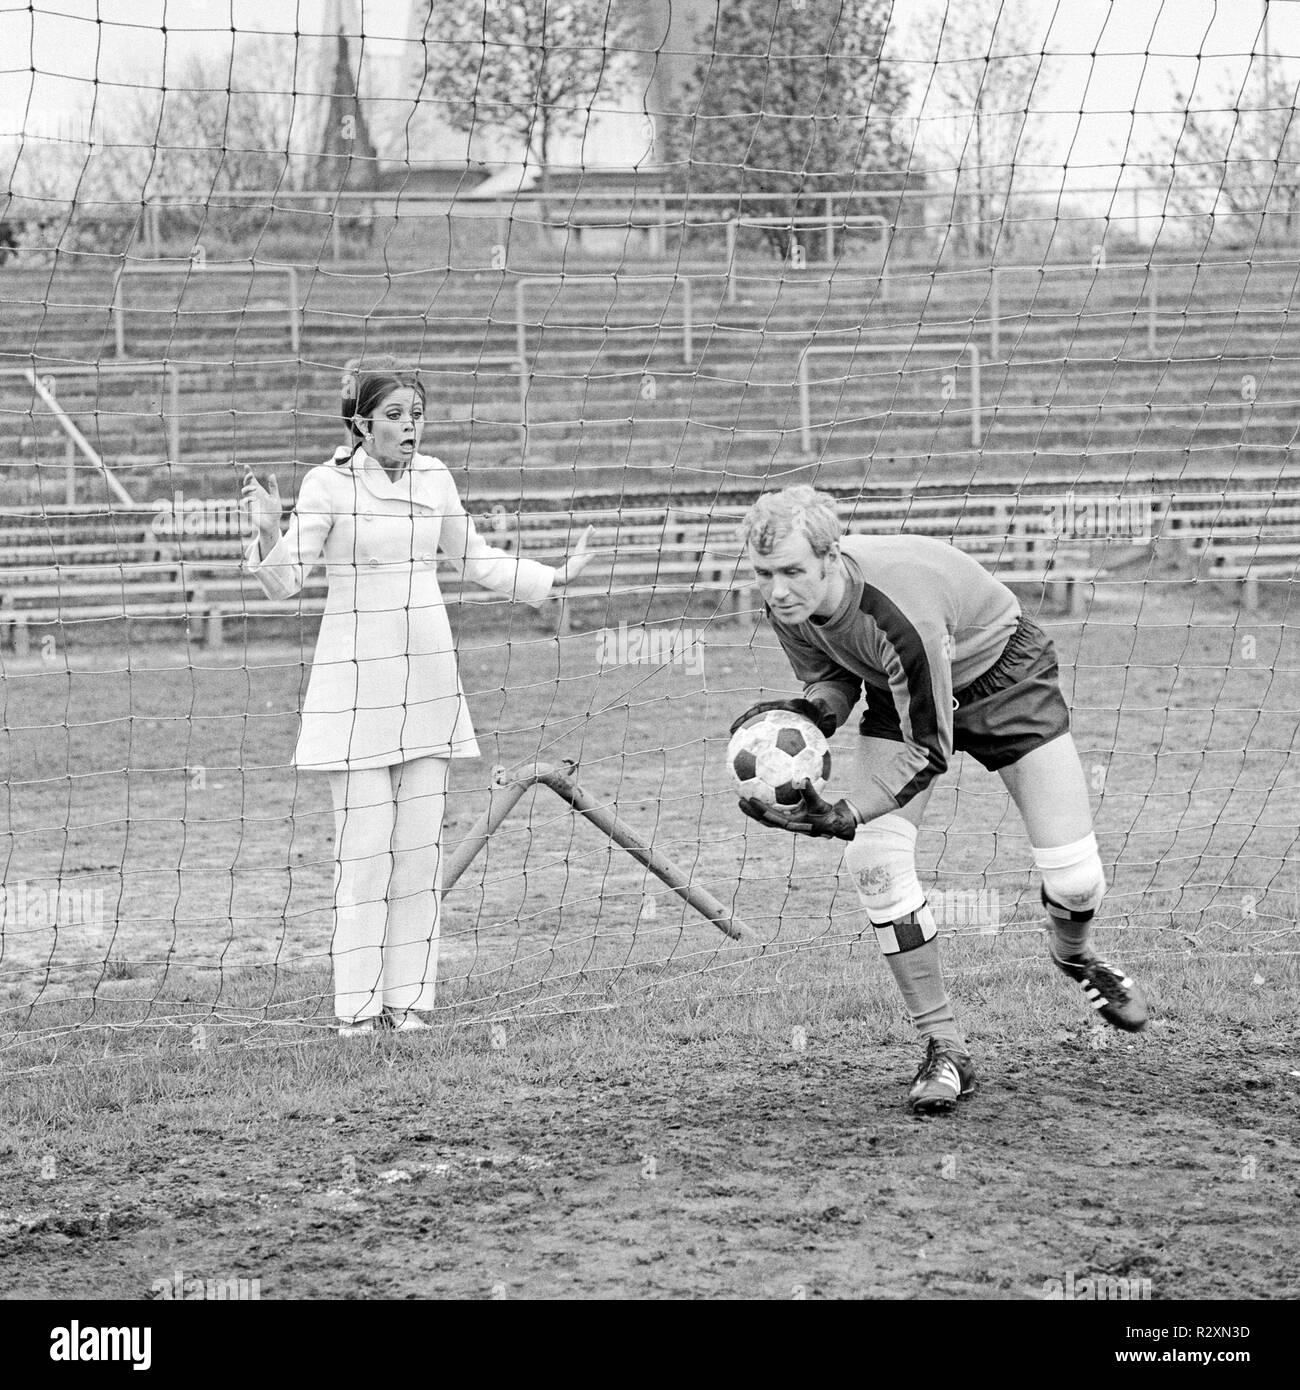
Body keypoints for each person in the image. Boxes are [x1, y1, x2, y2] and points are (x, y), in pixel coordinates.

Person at [731, 484, 1147, 1116]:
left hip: (1005, 678)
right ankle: (945, 1047)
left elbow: (929, 750)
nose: (779, 588)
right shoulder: (788, 607)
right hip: (902, 691)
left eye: (793, 571)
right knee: (874, 863)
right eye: (765, 574)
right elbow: (837, 671)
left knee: (1078, 881)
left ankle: (1076, 954)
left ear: (830, 556)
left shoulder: (901, 611)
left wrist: (844, 814)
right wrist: (811, 712)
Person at [241, 362, 594, 1037]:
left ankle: (408, 1005)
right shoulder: (327, 484)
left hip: (430, 682)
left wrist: (555, 577)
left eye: (418, 413)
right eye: (397, 414)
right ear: (361, 422)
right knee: (365, 853)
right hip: (356, 687)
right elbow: (284, 582)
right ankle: (356, 1012)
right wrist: (267, 528)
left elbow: (479, 559)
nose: (410, 426)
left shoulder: (435, 478)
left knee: (418, 856)